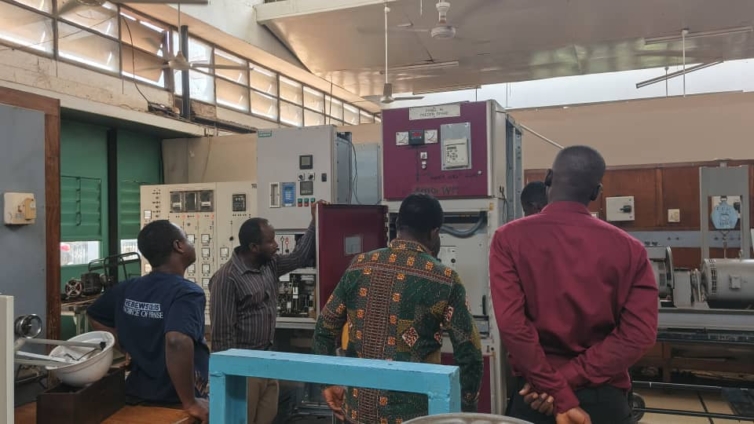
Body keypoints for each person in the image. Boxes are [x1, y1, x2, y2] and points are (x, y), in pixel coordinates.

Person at [489, 146, 658, 424]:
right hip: (603, 397)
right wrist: (567, 380)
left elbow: (512, 325)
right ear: (596, 192)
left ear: (548, 177)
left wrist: (554, 387)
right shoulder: (631, 250)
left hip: (535, 396)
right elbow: (638, 335)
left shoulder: (508, 239)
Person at [312, 193, 484, 424]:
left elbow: (323, 329)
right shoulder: (445, 279)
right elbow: (470, 353)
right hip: (416, 417)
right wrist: (466, 408)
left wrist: (328, 383)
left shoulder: (359, 265)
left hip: (357, 413)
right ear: (434, 233)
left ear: (398, 225)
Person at [209, 200, 326, 424]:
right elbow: (222, 335)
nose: (276, 245)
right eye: (271, 241)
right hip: (243, 367)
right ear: (254, 247)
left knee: (266, 418)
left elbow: (299, 257)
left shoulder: (269, 265)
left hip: (266, 359)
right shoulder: (227, 278)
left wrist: (314, 220)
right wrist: (231, 377)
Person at [87, 220, 209, 423]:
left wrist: (124, 346)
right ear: (178, 246)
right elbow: (177, 341)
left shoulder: (128, 288)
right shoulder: (187, 293)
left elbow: (94, 315)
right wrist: (190, 402)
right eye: (187, 239)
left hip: (136, 394)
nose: (190, 243)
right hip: (174, 402)